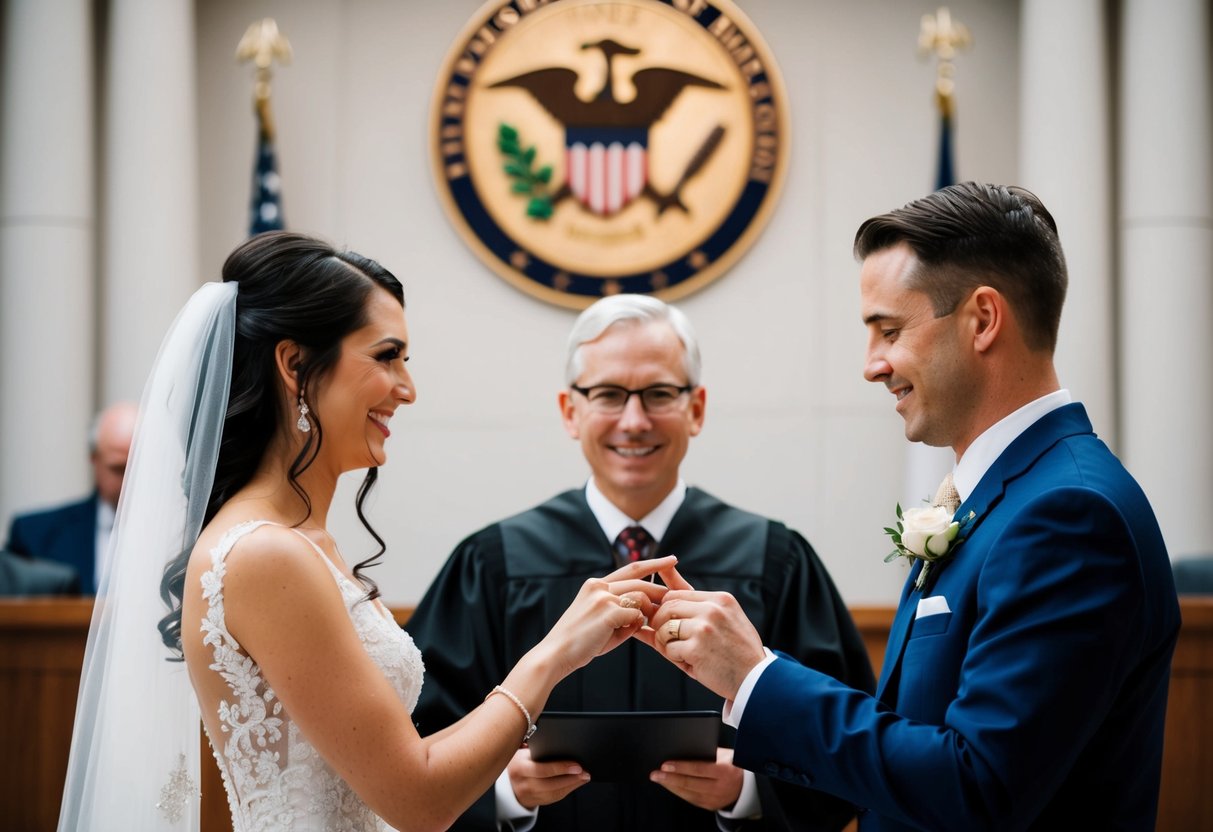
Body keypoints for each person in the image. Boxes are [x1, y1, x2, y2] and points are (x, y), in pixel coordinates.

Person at [56, 231, 676, 831]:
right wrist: (555, 654)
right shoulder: (265, 554)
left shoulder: (301, 543)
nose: (407, 389)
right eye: (386, 356)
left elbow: (393, 766)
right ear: (295, 366)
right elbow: (420, 801)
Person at [642, 183, 1182, 831]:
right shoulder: (1002, 494)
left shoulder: (1067, 514)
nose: (872, 366)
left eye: (889, 330)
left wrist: (756, 675)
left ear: (982, 319)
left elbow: (976, 787)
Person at [407, 294, 875, 831]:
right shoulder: (492, 565)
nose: (634, 421)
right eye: (608, 394)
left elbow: (848, 745)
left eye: (658, 394)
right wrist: (504, 790)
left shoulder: (775, 561)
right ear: (570, 411)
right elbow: (417, 758)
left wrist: (750, 788)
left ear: (696, 408)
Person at [5, 401, 137, 592]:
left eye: (137, 468)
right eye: (118, 468)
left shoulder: (179, 534)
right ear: (94, 459)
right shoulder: (34, 535)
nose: (128, 480)